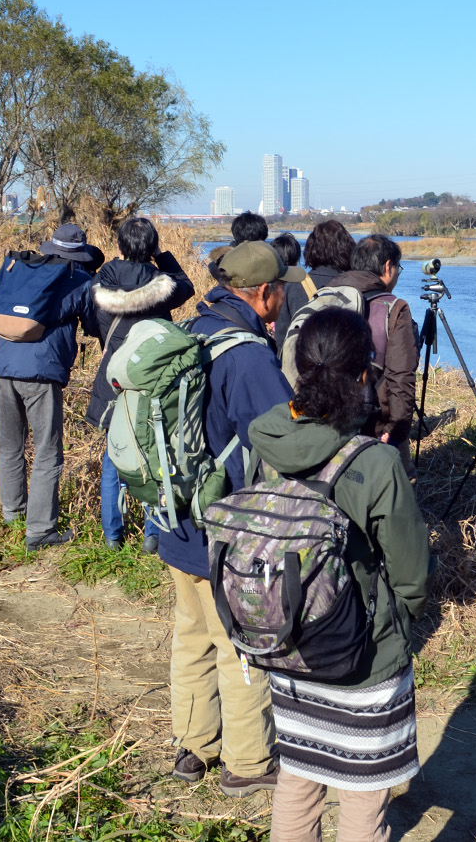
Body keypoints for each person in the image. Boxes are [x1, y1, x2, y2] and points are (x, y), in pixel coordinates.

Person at [248, 308, 430, 842]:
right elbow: (411, 573)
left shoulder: (269, 445)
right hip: (361, 654)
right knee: (363, 796)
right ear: (362, 374)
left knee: (299, 781)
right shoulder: (374, 464)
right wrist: (401, 616)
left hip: (289, 641)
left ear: (299, 369)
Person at [159, 241, 304, 797]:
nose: (286, 294)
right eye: (282, 288)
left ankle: (195, 747)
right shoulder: (247, 354)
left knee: (192, 635)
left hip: (177, 517)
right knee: (240, 639)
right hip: (225, 525)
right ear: (264, 293)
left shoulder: (194, 330)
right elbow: (283, 439)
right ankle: (247, 761)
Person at [0, 222, 103, 552]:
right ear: (81, 253)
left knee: (10, 447)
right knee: (47, 453)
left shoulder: (23, 270)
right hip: (41, 374)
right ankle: (40, 532)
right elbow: (95, 327)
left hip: (2, 366)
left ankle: (12, 516)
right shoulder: (80, 280)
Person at [84, 216, 194, 552]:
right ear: (152, 246)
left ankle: (112, 537)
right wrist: (161, 256)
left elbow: (91, 322)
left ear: (118, 246)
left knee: (113, 455)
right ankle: (152, 535)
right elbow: (187, 286)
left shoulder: (101, 283)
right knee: (154, 452)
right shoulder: (162, 285)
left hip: (114, 377)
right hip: (153, 380)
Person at [329, 233, 419, 477]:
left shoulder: (327, 295)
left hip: (326, 418)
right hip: (374, 423)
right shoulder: (394, 307)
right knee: (398, 487)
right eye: (398, 267)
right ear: (387, 266)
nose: (398, 274)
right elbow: (401, 376)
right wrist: (398, 430)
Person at [274, 219, 356, 350]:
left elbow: (281, 337)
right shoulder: (354, 288)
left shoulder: (293, 286)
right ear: (347, 248)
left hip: (301, 364)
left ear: (310, 249)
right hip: (341, 365)